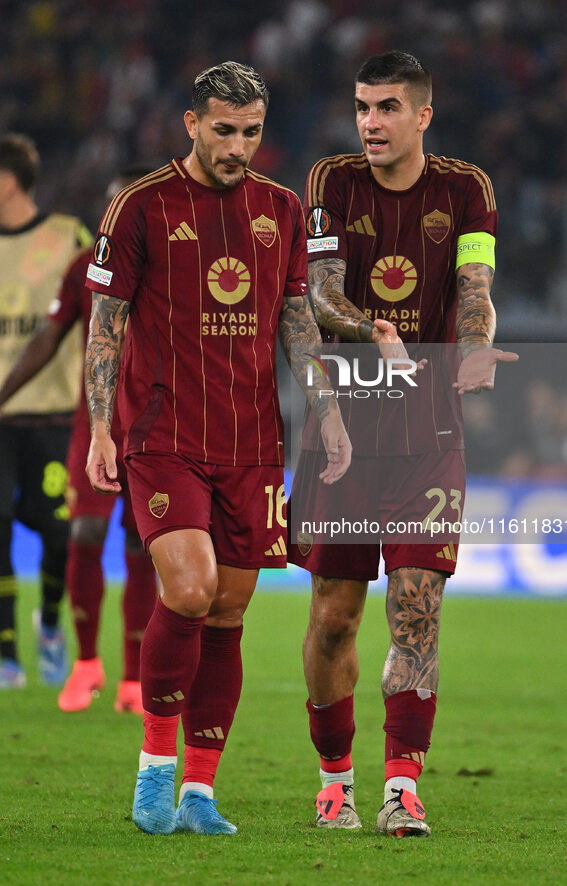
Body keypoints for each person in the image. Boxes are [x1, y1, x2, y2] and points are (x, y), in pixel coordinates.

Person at [84, 61, 351, 836]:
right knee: (191, 589)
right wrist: (102, 426)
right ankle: (154, 773)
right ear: (192, 124)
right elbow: (108, 327)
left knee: (229, 613)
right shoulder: (141, 205)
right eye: (225, 130)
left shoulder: (281, 209)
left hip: (251, 440)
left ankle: (199, 791)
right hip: (163, 433)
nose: (239, 146)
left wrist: (325, 412)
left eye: (252, 132)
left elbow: (296, 321)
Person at [287, 50, 518, 837]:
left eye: (386, 108)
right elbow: (320, 295)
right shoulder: (330, 182)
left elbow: (473, 287)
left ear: (422, 114)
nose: (369, 123)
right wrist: (371, 330)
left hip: (427, 432)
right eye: (361, 107)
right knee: (335, 619)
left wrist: (479, 345)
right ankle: (333, 781)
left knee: (415, 609)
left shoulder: (466, 190)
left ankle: (400, 787)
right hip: (343, 427)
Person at [0, 166, 159, 713]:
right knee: (85, 531)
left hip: (154, 424)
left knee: (142, 544)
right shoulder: (83, 267)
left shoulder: (174, 265)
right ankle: (86, 664)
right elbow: (49, 336)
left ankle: (134, 680)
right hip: (92, 424)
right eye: (114, 209)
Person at [0, 133, 93, 689]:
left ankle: (51, 624)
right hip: (0, 422)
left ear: (9, 180)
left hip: (57, 417)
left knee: (60, 535)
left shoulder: (68, 237)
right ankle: (8, 653)